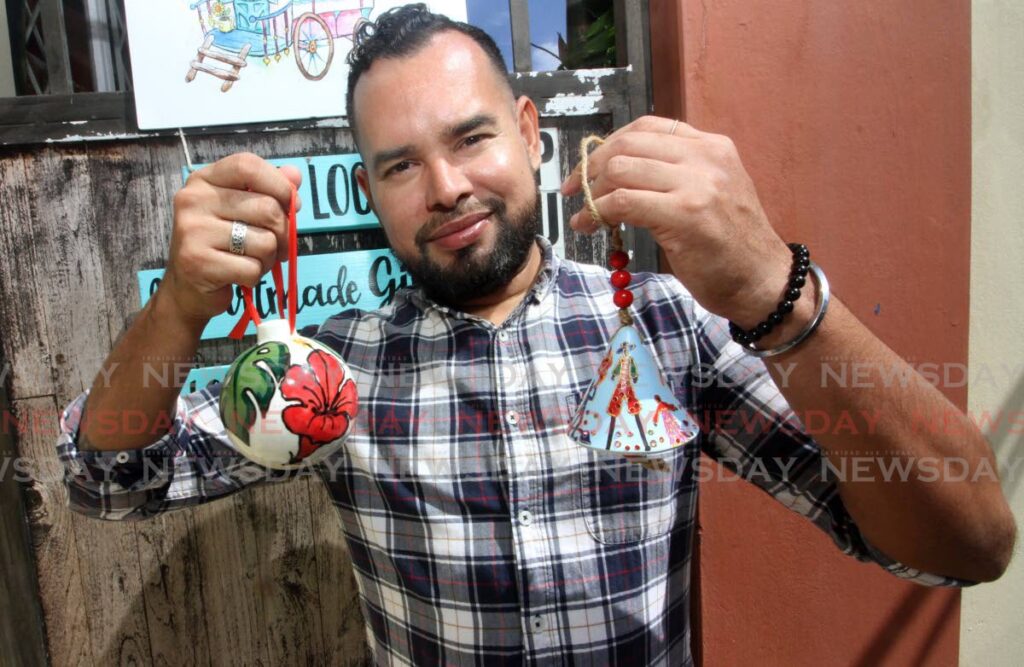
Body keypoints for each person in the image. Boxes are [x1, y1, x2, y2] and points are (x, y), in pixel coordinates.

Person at [56, 4, 1014, 665]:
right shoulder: (330, 371)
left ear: (528, 130)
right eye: (399, 167)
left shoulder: (665, 325)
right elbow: (105, 482)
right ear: (370, 187)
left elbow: (964, 544)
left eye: (471, 139)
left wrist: (783, 293)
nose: (446, 189)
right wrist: (179, 304)